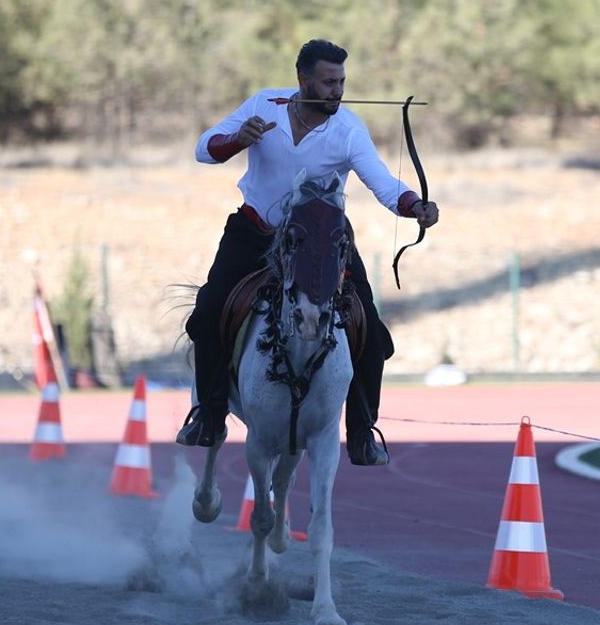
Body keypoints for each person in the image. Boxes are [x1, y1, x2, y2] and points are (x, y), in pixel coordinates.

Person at [177, 39, 439, 466]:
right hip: (256, 232)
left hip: (318, 244)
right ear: (303, 79)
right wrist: (238, 138)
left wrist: (415, 206)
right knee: (207, 313)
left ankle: (361, 433)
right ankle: (208, 416)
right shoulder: (265, 104)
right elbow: (204, 149)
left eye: (341, 82)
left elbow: (383, 183)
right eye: (328, 81)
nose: (337, 90)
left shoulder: (349, 129)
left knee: (370, 331)